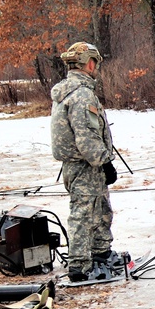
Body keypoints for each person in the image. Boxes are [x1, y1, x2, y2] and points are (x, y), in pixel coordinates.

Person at [50, 42, 117, 281]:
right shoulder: (81, 94)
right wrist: (105, 161)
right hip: (85, 165)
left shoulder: (69, 91)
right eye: (95, 62)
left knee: (100, 208)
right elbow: (86, 137)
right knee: (83, 213)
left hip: (84, 165)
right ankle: (79, 265)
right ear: (89, 63)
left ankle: (101, 252)